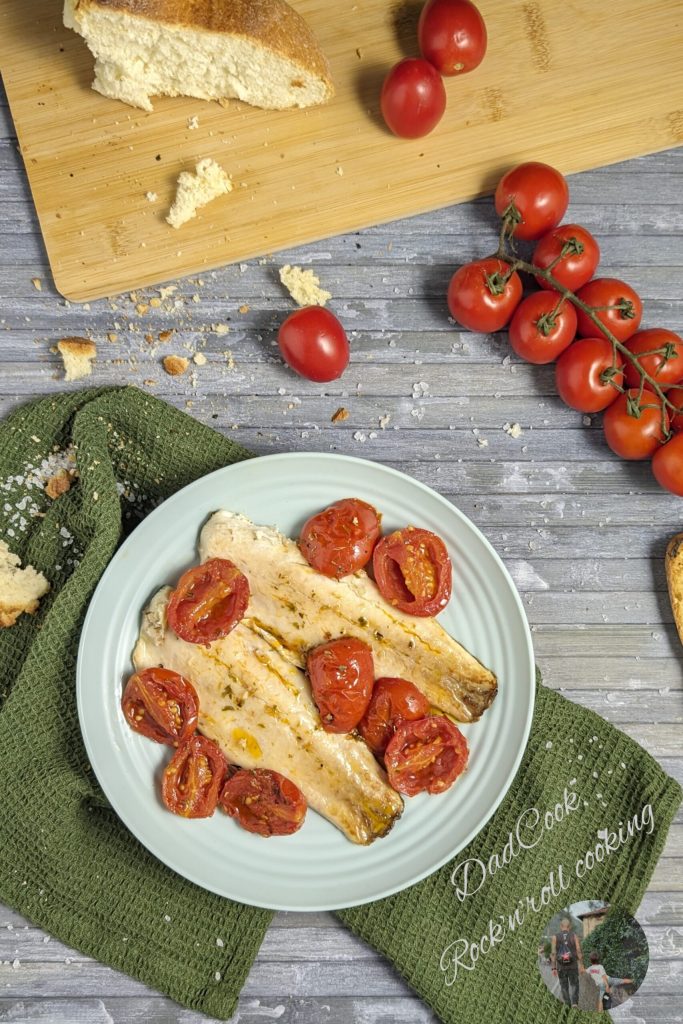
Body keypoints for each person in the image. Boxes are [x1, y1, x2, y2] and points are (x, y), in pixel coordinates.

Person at [551, 917, 584, 1008]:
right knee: (574, 985)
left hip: (561, 967)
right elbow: (578, 951)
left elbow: (553, 953)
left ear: (561, 926)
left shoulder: (555, 937)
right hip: (573, 966)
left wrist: (553, 968)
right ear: (570, 926)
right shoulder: (574, 936)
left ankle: (567, 1003)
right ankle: (574, 1003)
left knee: (564, 986)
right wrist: (581, 965)